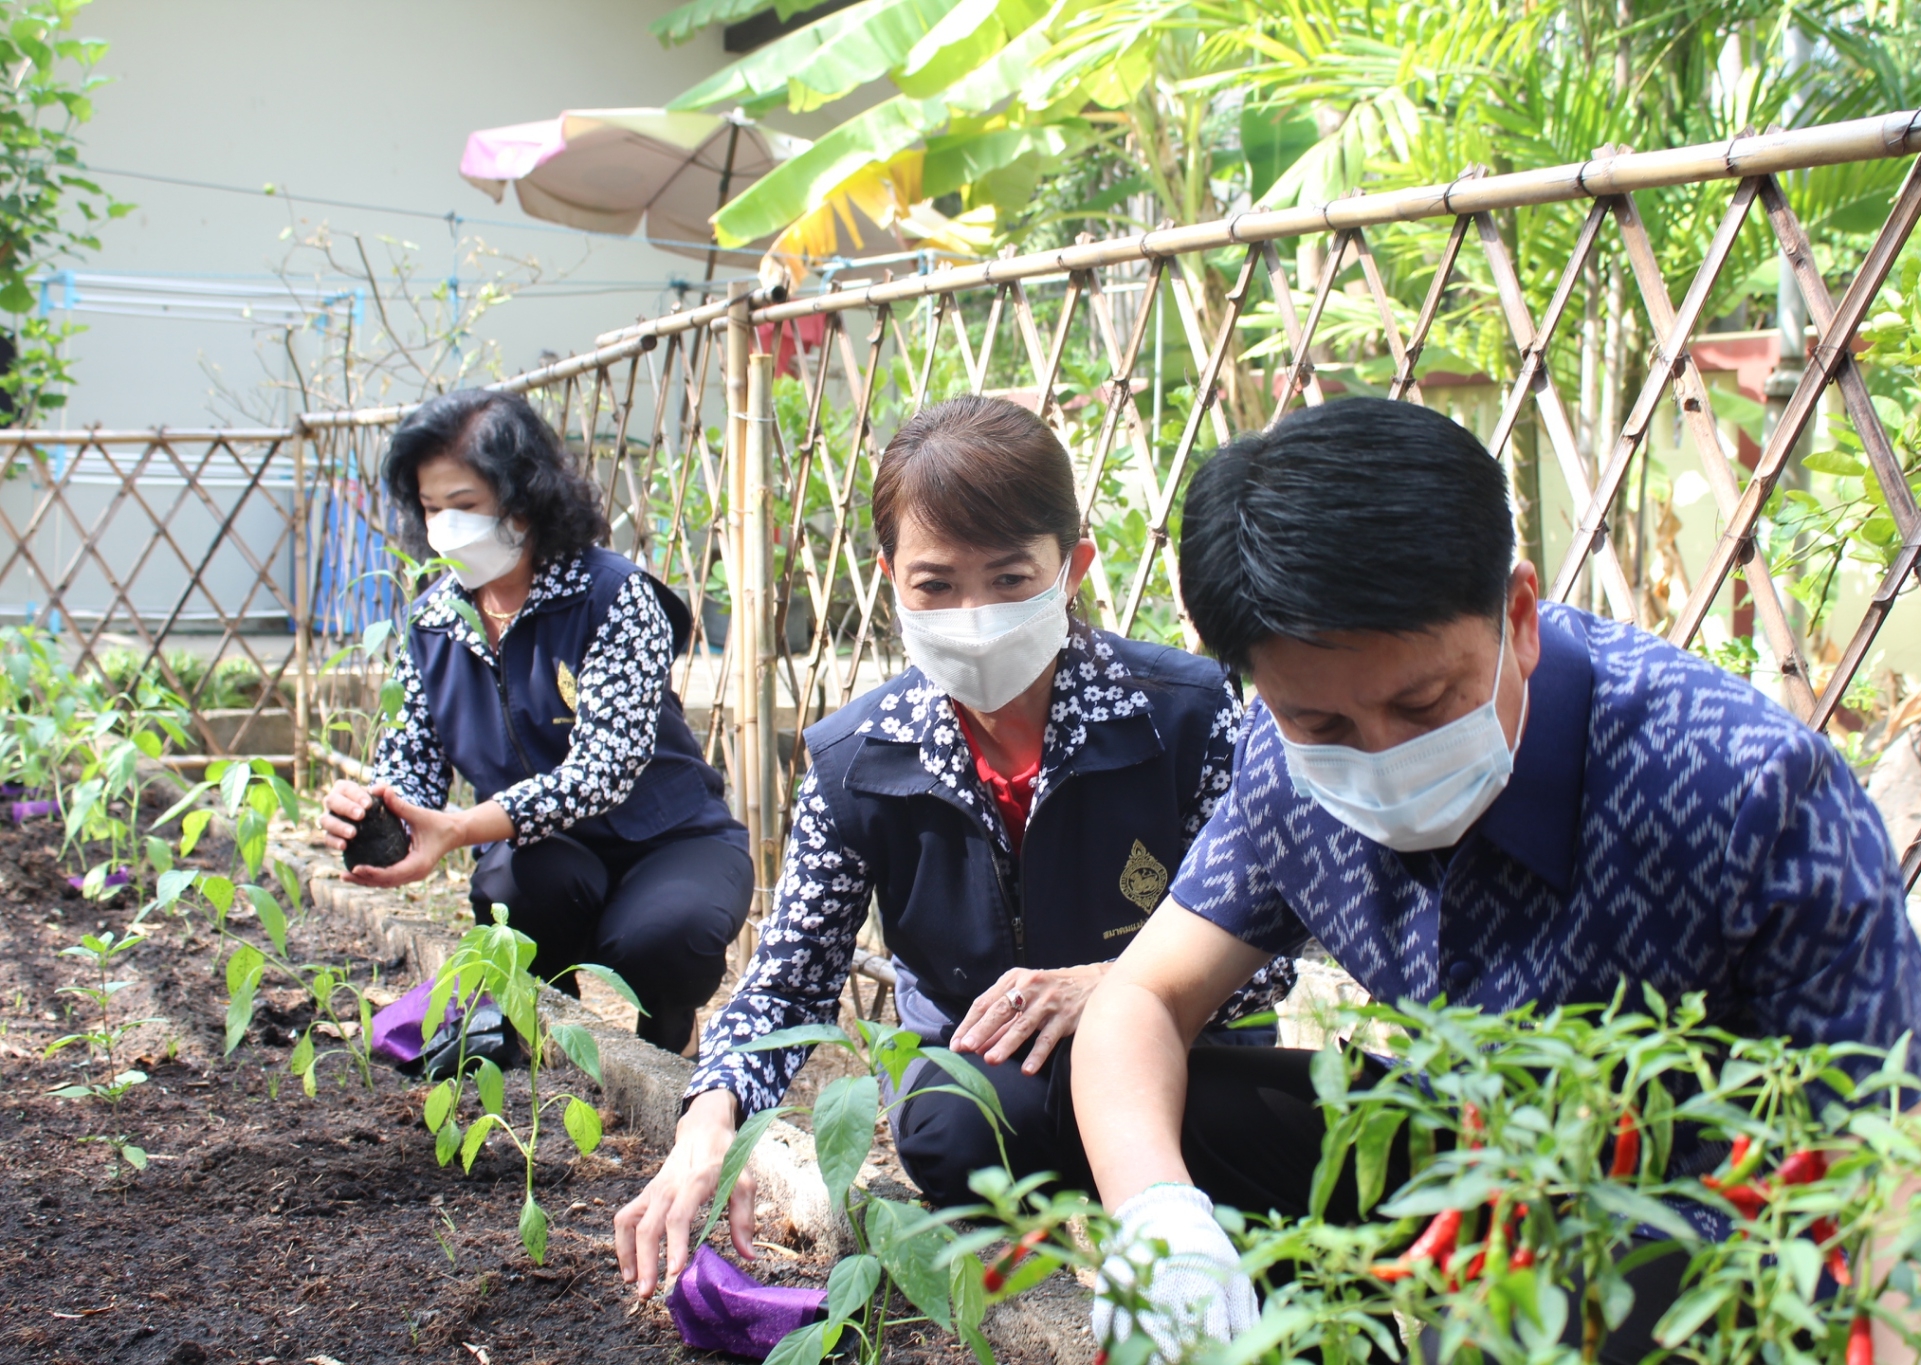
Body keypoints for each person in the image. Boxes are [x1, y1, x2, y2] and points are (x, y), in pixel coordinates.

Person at [1069, 397, 1921, 1361]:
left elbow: (1899, 1156)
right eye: (1323, 724)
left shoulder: (1741, 784)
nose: (1380, 753)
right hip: (1479, 1152)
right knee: (1120, 1112)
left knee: (1522, 1323)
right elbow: (1145, 999)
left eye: (1423, 702)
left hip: (1713, 1212)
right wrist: (1161, 1222)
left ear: (1521, 618)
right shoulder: (1285, 763)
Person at [612, 394, 1295, 1298]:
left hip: (1189, 1060)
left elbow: (1270, 955)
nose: (974, 613)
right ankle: (1076, 1257)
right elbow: (789, 978)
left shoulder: (1183, 711)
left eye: (1010, 579)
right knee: (948, 1119)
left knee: (1270, 1139)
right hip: (995, 1095)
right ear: (891, 577)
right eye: (937, 584)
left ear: (1072, 568)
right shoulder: (860, 758)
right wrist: (710, 1119)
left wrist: (1117, 986)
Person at [318, 389, 752, 1054]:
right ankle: (542, 1040)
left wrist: (461, 826)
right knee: (508, 887)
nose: (444, 528)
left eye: (463, 506)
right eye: (431, 509)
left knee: (662, 937)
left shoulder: (610, 595)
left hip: (669, 841)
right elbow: (415, 753)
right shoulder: (436, 621)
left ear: (523, 499)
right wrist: (378, 811)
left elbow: (602, 771)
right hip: (552, 857)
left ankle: (669, 1050)